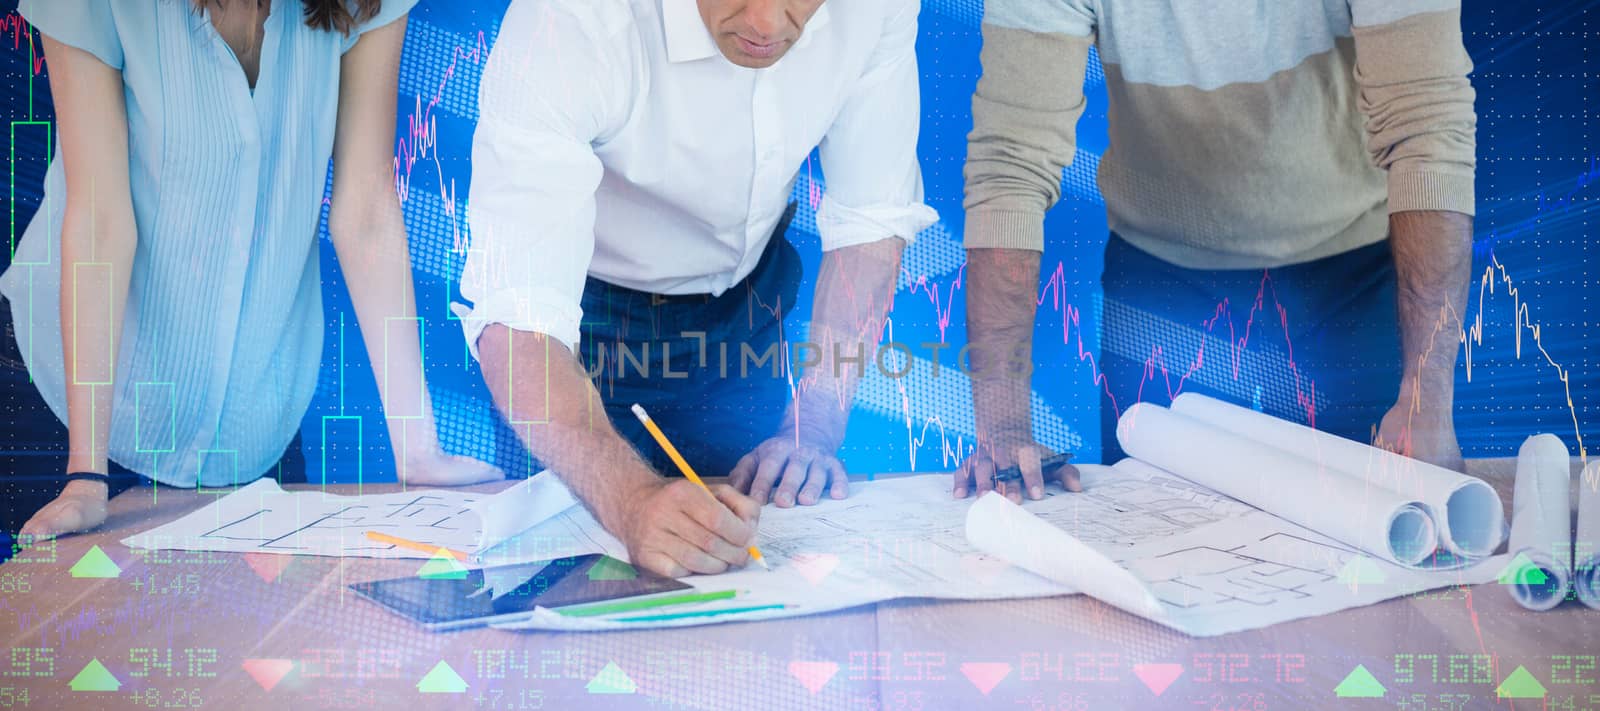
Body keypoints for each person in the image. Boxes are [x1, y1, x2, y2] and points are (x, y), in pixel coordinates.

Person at [460, 0, 936, 577]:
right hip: (579, 340)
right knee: (562, 599)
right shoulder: (568, 18)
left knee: (752, 583)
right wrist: (629, 500)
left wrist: (813, 422)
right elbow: (518, 317)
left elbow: (870, 223)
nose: (764, 25)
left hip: (745, 315)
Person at [0, 0, 500, 548]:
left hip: (256, 422)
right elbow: (100, 222)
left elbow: (367, 211)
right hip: (72, 415)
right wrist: (85, 478)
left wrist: (417, 447)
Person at [958, 0, 1478, 500]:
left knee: (1384, 543)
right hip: (1160, 284)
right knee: (1151, 552)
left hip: (1350, 276)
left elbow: (1425, 128)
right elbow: (1011, 167)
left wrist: (1426, 396)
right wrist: (1002, 423)